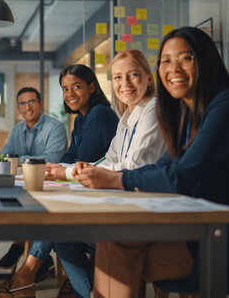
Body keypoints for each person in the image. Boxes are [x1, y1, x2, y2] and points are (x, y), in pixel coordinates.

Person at [74, 27, 229, 298]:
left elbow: (182, 177)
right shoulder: (190, 111)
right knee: (113, 241)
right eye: (166, 60)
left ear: (205, 61)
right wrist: (113, 177)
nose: (173, 68)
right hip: (200, 224)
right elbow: (163, 167)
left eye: (185, 58)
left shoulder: (228, 106)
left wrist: (116, 179)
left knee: (118, 252)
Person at [0, 64, 119, 298]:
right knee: (52, 226)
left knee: (51, 223)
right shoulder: (83, 119)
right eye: (65, 89)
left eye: (76, 87)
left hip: (103, 202)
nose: (70, 94)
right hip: (88, 193)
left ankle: (24, 277)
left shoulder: (99, 114)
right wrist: (56, 166)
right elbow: (69, 157)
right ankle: (29, 276)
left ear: (92, 87)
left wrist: (54, 166)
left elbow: (81, 160)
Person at [51, 50, 166, 298]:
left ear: (148, 78)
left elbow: (133, 165)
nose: (124, 84)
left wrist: (71, 172)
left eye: (133, 75)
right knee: (59, 233)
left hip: (145, 213)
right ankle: (91, 292)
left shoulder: (154, 109)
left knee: (59, 231)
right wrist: (71, 171)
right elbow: (110, 159)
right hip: (125, 204)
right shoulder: (127, 115)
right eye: (117, 77)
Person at [0, 87, 68, 273]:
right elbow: (5, 157)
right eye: (22, 103)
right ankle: (26, 248)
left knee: (33, 206)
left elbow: (50, 159)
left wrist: (18, 159)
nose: (27, 107)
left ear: (40, 103)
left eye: (32, 102)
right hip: (22, 183)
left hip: (49, 185)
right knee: (7, 203)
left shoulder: (55, 127)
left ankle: (28, 251)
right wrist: (23, 159)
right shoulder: (17, 129)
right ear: (18, 107)